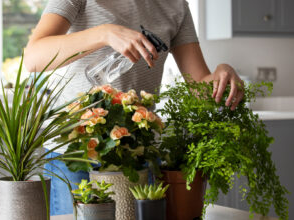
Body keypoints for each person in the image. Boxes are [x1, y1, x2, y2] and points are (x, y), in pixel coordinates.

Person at [25, 0, 245, 216]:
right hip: (76, 154)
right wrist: (105, 33)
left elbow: (200, 87)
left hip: (136, 154)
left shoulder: (176, 5)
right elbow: (34, 57)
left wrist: (222, 74)